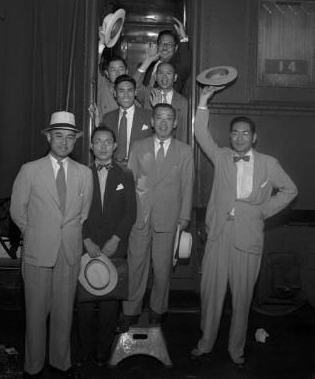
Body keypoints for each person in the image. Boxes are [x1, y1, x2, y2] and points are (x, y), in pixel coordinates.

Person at [191, 87, 298, 365]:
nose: (240, 137)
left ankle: (236, 349)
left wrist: (263, 211)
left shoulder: (268, 164)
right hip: (218, 236)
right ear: (230, 137)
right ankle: (205, 343)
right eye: (235, 133)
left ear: (254, 137)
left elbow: (290, 190)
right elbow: (201, 134)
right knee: (211, 293)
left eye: (245, 133)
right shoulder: (223, 156)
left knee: (242, 299)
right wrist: (203, 101)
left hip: (248, 239)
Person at [10, 112, 93, 379]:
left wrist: (62, 234)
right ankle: (33, 367)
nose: (65, 142)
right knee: (35, 314)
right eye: (59, 136)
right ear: (48, 137)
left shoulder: (84, 173)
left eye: (70, 138)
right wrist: (36, 233)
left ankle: (61, 363)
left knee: (64, 313)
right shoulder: (29, 170)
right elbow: (17, 212)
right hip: (38, 251)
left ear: (75, 141)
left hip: (68, 252)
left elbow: (84, 213)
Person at [118, 103, 194, 331]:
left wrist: (184, 217)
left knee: (162, 268)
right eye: (159, 117)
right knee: (136, 265)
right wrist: (128, 214)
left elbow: (187, 185)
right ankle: (130, 311)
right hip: (139, 217)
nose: (163, 122)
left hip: (169, 218)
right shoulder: (139, 146)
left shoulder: (184, 151)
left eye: (168, 118)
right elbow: (129, 182)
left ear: (175, 123)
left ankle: (158, 310)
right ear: (152, 121)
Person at [75, 125, 136, 367]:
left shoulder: (125, 176)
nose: (102, 146)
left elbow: (130, 212)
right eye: (97, 141)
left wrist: (116, 239)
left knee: (110, 305)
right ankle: (84, 351)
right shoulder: (81, 174)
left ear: (115, 146)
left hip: (114, 249)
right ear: (90, 146)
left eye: (107, 142)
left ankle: (102, 352)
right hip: (86, 247)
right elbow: (74, 211)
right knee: (85, 303)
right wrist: (85, 238)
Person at [102, 74, 153, 167]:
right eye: (121, 91)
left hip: (142, 171)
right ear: (114, 93)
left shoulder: (149, 116)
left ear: (135, 92)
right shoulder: (107, 118)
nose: (126, 95)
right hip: (114, 170)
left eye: (130, 91)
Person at [133, 18, 191, 95]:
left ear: (176, 47)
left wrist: (183, 37)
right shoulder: (149, 66)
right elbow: (135, 85)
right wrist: (147, 61)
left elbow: (185, 60)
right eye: (162, 43)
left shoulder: (178, 68)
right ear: (157, 46)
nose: (165, 47)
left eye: (169, 44)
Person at [137, 61, 188, 143]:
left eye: (168, 73)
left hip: (173, 149)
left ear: (175, 77)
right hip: (148, 147)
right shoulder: (148, 94)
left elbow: (184, 132)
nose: (164, 77)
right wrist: (148, 59)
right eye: (160, 73)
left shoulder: (183, 102)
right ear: (155, 77)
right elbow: (134, 85)